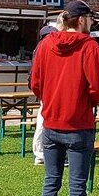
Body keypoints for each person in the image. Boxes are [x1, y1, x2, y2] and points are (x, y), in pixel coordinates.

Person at [29, 0, 99, 196]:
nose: (93, 23)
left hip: (51, 123)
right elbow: (97, 87)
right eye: (91, 19)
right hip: (79, 124)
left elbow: (35, 82)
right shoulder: (90, 47)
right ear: (82, 20)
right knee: (76, 186)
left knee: (51, 183)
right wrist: (85, 102)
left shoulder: (45, 45)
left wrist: (50, 100)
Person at [32, 20, 62, 165]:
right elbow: (36, 74)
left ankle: (46, 153)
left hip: (49, 89)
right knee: (44, 121)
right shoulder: (44, 47)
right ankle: (40, 153)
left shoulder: (44, 46)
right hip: (47, 89)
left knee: (45, 120)